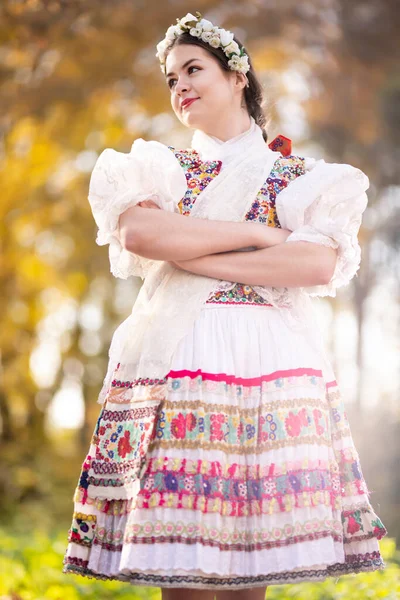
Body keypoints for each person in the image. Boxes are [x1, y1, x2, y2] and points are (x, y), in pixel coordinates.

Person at [62, 11, 387, 600]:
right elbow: (141, 236)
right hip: (183, 363)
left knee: (251, 571)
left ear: (237, 76)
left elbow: (314, 265)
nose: (180, 85)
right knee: (182, 569)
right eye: (171, 77)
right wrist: (263, 236)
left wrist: (194, 250)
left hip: (270, 367)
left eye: (193, 69)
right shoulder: (160, 167)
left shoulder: (298, 176)